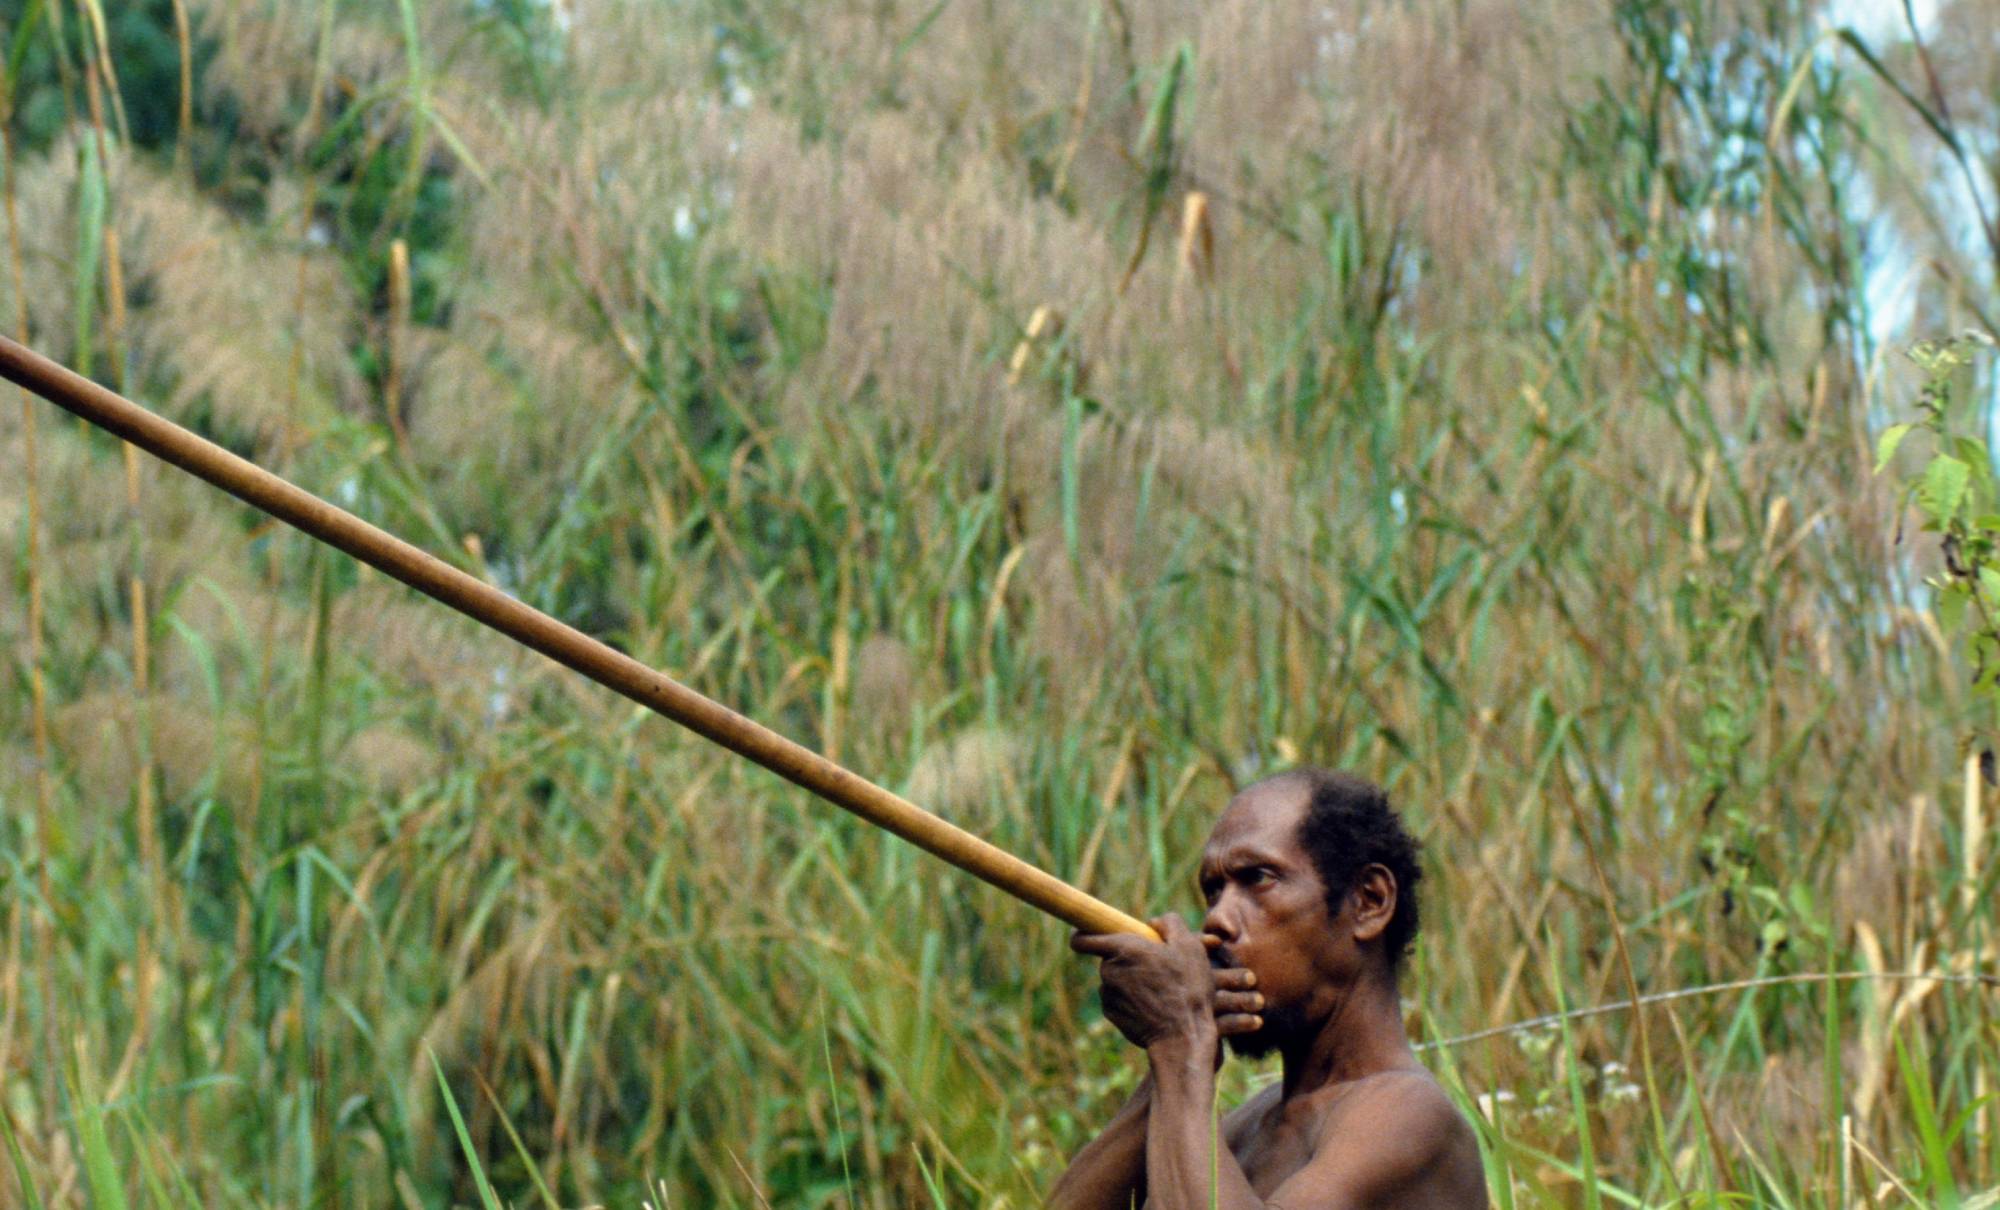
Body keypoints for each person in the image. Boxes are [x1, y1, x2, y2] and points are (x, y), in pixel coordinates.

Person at [1047, 768, 1486, 1209]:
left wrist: (1179, 1037)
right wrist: (1178, 1045)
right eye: (1214, 891)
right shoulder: (1253, 1123)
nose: (1217, 919)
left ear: (1368, 902)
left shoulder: (1407, 1113)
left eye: (1257, 878)